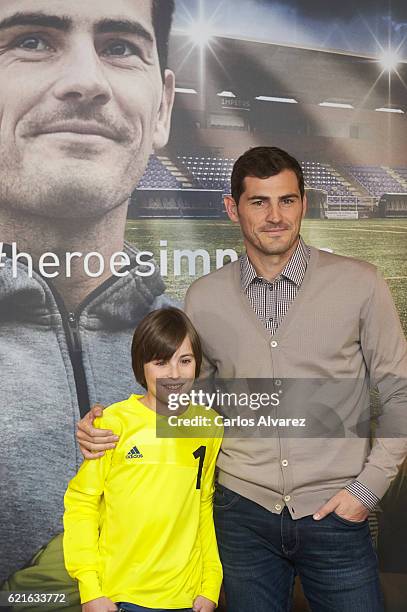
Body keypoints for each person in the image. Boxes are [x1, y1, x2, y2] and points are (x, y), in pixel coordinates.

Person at [80, 147, 407, 611]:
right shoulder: (205, 296)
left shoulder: (361, 283)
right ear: (233, 208)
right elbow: (190, 404)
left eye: (287, 200)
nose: (275, 216)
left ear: (303, 204)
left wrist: (368, 488)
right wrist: (108, 427)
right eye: (259, 202)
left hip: (336, 514)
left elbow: (399, 390)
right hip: (241, 517)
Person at [0, 0, 176, 596]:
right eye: (31, 40)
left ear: (163, 109)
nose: (85, 81)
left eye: (121, 46)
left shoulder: (196, 337)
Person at [63, 308, 222, 612]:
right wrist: (90, 588)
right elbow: (82, 505)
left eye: (184, 361)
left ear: (197, 364)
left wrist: (210, 585)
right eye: (161, 362)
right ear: (142, 366)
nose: (174, 374)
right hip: (121, 597)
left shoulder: (208, 425)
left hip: (187, 599)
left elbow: (202, 505)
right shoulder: (112, 423)